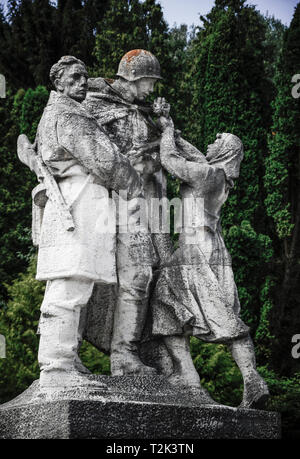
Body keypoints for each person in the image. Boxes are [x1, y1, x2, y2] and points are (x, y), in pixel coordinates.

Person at [18, 56, 143, 388]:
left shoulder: (61, 113)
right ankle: (57, 367)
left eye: (86, 76)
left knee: (78, 285)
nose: (83, 82)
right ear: (59, 82)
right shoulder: (69, 115)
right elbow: (106, 162)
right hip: (76, 205)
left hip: (81, 204)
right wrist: (134, 181)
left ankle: (66, 359)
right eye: (75, 77)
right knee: (68, 288)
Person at [151, 109, 269, 409]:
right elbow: (195, 156)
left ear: (228, 150)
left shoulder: (210, 175)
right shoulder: (216, 174)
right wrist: (174, 131)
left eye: (220, 139)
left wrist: (166, 132)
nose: (213, 140)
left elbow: (172, 162)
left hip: (196, 250)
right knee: (192, 309)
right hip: (206, 248)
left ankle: (199, 376)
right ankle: (240, 377)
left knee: (182, 307)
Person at [84, 50, 174, 376]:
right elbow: (84, 150)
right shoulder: (94, 103)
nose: (153, 89)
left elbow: (162, 157)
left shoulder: (140, 111)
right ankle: (118, 355)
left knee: (142, 274)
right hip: (105, 203)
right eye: (150, 82)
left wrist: (162, 124)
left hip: (135, 204)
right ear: (135, 77)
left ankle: (128, 353)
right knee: (97, 279)